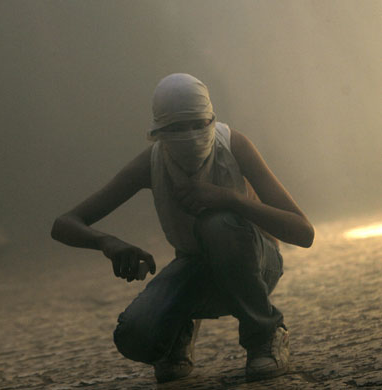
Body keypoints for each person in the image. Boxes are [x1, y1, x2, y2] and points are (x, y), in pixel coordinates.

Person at [50, 73, 314, 383]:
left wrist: (230, 199)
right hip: (195, 266)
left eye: (198, 125)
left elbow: (302, 232)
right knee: (135, 335)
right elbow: (64, 224)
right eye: (176, 128)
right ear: (158, 132)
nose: (189, 135)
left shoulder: (232, 146)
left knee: (219, 224)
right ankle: (177, 331)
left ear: (212, 121)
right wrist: (107, 242)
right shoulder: (151, 163)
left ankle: (265, 335)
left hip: (256, 264)